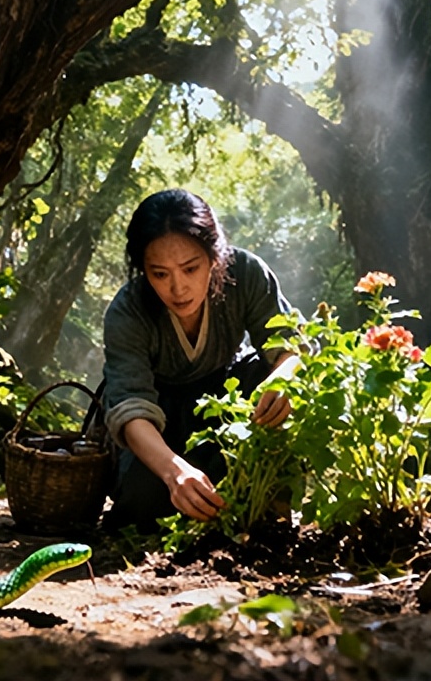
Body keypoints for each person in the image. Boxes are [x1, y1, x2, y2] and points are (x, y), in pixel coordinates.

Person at [100, 189, 298, 532]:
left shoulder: (248, 274)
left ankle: (268, 510)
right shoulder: (128, 311)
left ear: (215, 257)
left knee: (270, 375)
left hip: (226, 406)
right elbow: (131, 408)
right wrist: (174, 472)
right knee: (144, 503)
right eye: (160, 274)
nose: (178, 288)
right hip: (157, 423)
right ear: (143, 270)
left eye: (190, 268)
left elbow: (291, 349)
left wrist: (284, 379)